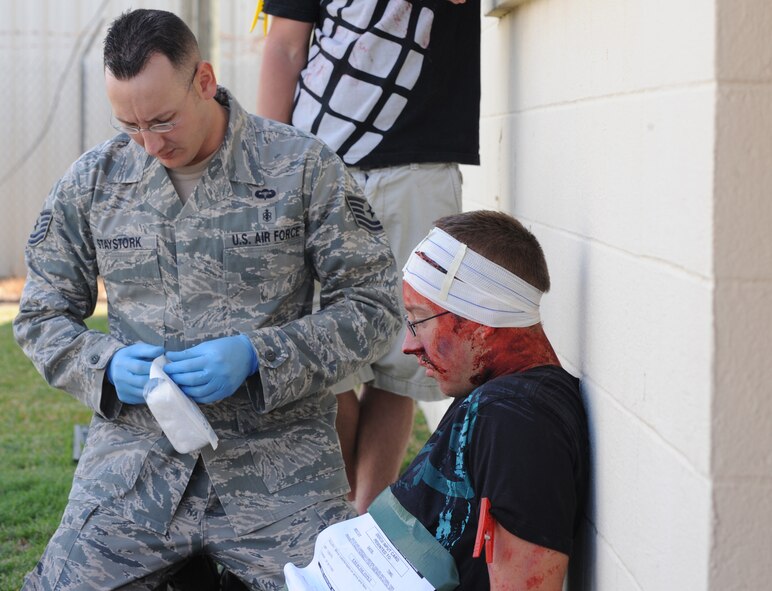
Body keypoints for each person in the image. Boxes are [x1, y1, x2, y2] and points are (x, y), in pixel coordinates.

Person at [14, 8, 400, 591]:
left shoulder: (301, 167)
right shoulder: (94, 183)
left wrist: (259, 355)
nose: (148, 144)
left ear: (204, 80)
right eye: (130, 126)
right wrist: (107, 364)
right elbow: (41, 316)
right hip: (135, 469)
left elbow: (375, 306)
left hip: (280, 469)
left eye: (162, 120)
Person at [256, 0, 481, 514]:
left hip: (419, 163)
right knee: (323, 361)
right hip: (318, 166)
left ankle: (366, 523)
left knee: (401, 360)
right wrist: (268, 170)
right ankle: (340, 518)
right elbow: (285, 44)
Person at [289, 210, 589, 590]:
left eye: (418, 320)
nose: (409, 345)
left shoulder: (519, 426)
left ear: (480, 321)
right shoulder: (498, 401)